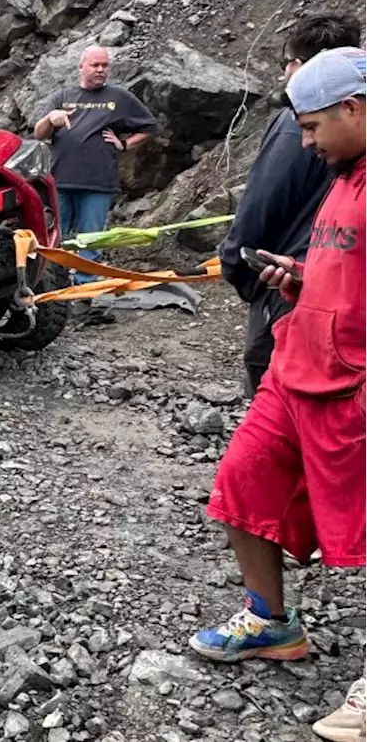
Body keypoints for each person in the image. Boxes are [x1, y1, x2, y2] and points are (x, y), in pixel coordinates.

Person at [187, 47, 367, 742]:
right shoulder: (346, 172)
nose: (306, 141)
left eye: (315, 125)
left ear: (352, 108)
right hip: (296, 369)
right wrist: (303, 280)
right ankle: (270, 621)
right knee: (241, 482)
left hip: (350, 386)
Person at [219, 14, 362, 397]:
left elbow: (263, 201)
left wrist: (238, 264)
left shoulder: (293, 123)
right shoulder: (349, 153)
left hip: (291, 290)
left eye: (289, 63)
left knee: (278, 389)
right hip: (318, 285)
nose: (307, 139)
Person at [32, 46, 159, 280]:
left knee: (91, 238)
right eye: (95, 65)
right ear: (81, 66)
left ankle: (85, 292)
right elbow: (39, 133)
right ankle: (55, 285)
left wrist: (124, 144)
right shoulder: (63, 96)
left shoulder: (119, 97)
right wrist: (51, 118)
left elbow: (149, 126)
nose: (101, 70)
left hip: (98, 182)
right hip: (60, 180)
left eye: (104, 65)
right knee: (55, 237)